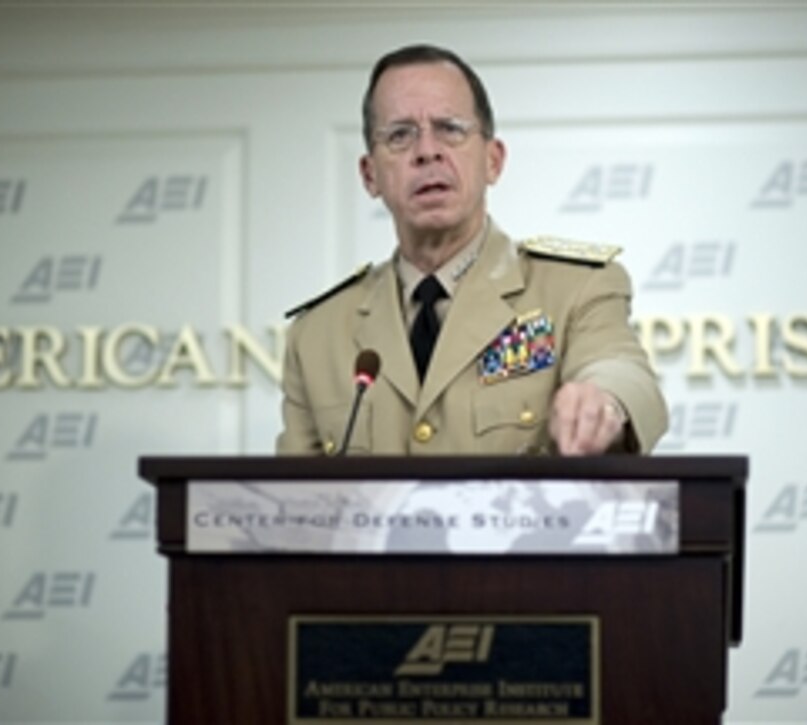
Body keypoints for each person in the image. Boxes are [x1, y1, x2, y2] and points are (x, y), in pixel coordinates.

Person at [276, 44, 667, 456]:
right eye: (400, 135)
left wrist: (604, 399)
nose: (427, 151)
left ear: (493, 160)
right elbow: (294, 504)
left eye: (451, 128)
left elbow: (623, 371)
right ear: (370, 175)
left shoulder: (577, 287)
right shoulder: (316, 334)